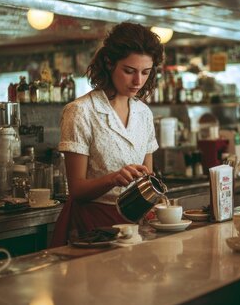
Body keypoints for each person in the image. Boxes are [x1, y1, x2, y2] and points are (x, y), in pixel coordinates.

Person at [51, 22, 164, 247]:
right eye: (129, 71)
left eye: (145, 72)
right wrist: (112, 178)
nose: (138, 81)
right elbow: (77, 188)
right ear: (109, 63)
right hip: (93, 227)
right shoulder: (81, 111)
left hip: (134, 226)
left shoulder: (143, 113)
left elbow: (147, 177)